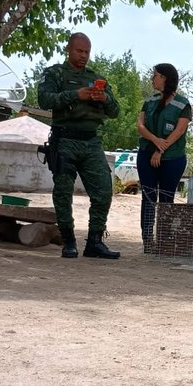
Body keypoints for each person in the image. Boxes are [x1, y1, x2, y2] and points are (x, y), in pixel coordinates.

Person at [37, 32, 121, 259]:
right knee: (63, 191)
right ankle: (69, 241)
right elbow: (45, 100)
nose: (84, 56)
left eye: (87, 52)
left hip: (91, 140)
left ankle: (94, 242)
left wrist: (103, 98)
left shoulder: (97, 78)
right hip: (65, 139)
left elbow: (115, 111)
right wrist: (76, 95)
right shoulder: (54, 73)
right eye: (79, 51)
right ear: (69, 50)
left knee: (103, 191)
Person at [136, 63, 192, 253]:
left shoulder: (183, 104)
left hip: (172, 157)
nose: (153, 78)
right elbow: (140, 125)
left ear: (166, 78)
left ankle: (165, 240)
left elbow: (179, 130)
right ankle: (147, 239)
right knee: (148, 196)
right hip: (146, 153)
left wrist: (160, 150)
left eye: (156, 75)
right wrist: (154, 141)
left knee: (167, 198)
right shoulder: (149, 101)